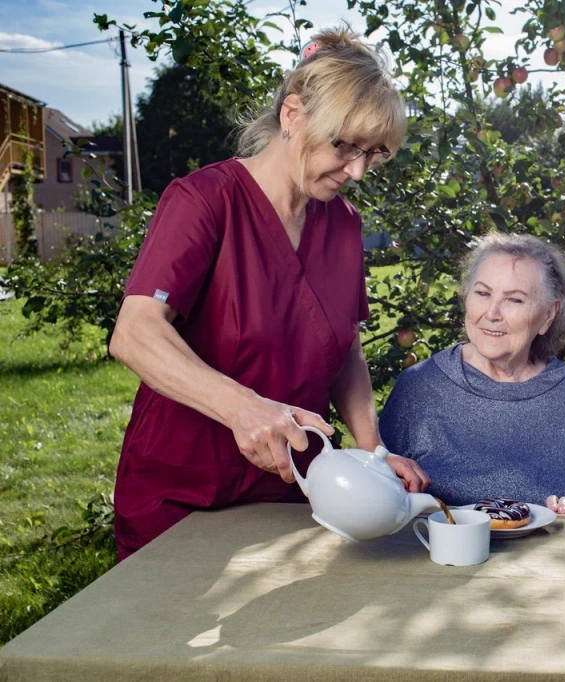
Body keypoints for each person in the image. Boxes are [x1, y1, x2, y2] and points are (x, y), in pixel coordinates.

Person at [109, 28, 429, 561]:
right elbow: (135, 334)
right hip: (180, 492)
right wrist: (244, 409)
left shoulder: (344, 224)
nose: (356, 171)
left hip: (293, 489)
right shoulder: (204, 201)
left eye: (373, 154)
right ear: (293, 116)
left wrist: (374, 452)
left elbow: (343, 344)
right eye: (344, 145)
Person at [379, 233, 565, 513]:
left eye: (515, 300)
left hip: (543, 556)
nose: (492, 313)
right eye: (482, 293)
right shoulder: (419, 387)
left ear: (548, 315)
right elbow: (376, 501)